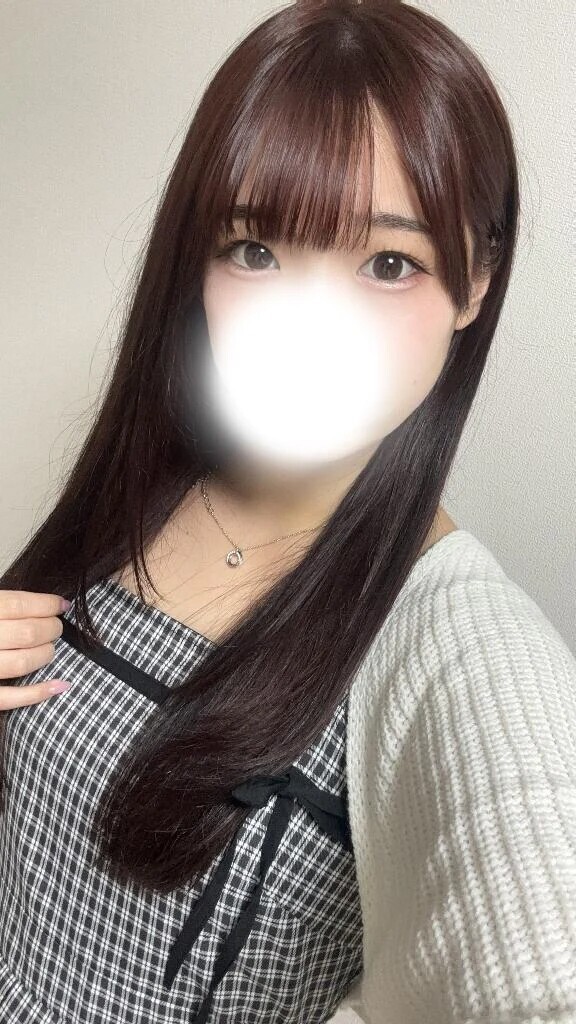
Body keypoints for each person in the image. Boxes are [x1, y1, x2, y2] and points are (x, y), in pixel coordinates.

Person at [1, 1, 574, 1022]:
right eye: (256, 250)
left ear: (475, 284)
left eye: (388, 263)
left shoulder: (448, 639)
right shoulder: (140, 480)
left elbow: (533, 922)